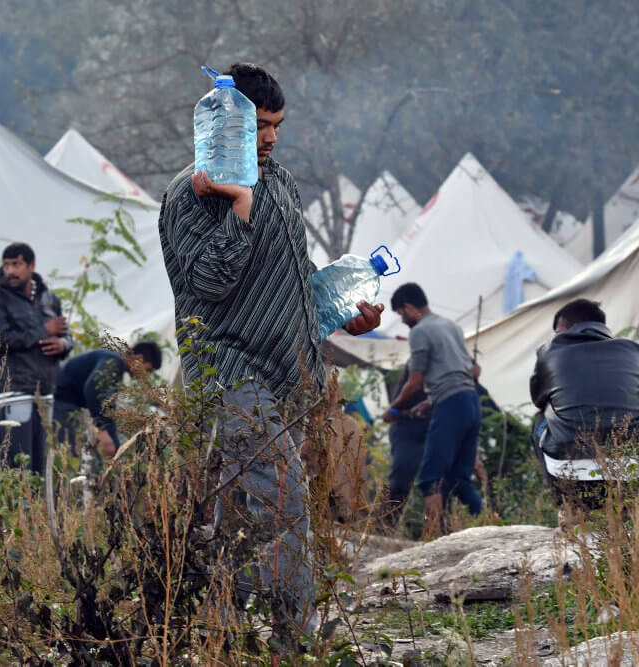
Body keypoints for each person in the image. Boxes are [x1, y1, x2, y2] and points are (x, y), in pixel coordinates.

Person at [158, 62, 382, 637]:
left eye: (277, 125)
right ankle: (298, 633)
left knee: (244, 511)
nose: (271, 137)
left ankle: (224, 626)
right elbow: (205, 285)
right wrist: (237, 208)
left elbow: (294, 273)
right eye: (260, 124)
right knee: (283, 500)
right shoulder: (192, 193)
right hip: (230, 369)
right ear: (228, 122)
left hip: (286, 374)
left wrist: (343, 316)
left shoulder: (279, 181)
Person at [529, 299, 639, 507]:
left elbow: (538, 401)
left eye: (558, 332)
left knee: (540, 418)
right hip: (634, 465)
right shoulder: (636, 351)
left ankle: (564, 505)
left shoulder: (549, 352)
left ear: (569, 329)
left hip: (569, 467)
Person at [382, 282, 481, 538]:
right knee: (460, 478)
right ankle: (491, 526)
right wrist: (433, 401)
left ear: (408, 308)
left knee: (429, 479)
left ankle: (434, 539)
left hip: (451, 404)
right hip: (470, 400)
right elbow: (473, 371)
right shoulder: (452, 326)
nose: (403, 321)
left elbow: (414, 383)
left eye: (401, 314)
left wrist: (392, 411)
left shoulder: (420, 331)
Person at [0, 242, 72, 476]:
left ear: (31, 265)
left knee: (39, 469)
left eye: (17, 264)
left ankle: (36, 513)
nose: (10, 271)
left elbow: (65, 333)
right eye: (6, 265)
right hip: (13, 391)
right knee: (17, 467)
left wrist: (62, 344)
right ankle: (15, 512)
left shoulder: (49, 298)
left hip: (45, 392)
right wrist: (43, 331)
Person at [53, 341, 163, 459]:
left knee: (77, 452)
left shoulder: (115, 364)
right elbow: (92, 389)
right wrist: (103, 432)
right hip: (61, 401)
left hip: (67, 403)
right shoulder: (114, 361)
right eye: (148, 370)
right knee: (68, 454)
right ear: (139, 358)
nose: (145, 375)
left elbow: (107, 407)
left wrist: (116, 445)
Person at [382, 362, 431, 527]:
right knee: (401, 481)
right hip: (407, 425)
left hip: (430, 426)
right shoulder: (419, 356)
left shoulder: (447, 359)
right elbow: (413, 384)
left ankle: (436, 529)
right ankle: (387, 527)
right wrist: (393, 410)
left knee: (436, 483)